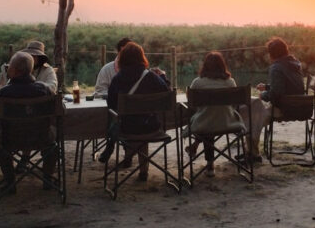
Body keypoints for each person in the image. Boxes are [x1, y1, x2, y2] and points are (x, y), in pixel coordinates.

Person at [0, 51, 57, 193]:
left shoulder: (3, 93)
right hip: (42, 139)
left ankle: (10, 183)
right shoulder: (45, 90)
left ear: (15, 71)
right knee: (52, 143)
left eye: (9, 66)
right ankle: (47, 179)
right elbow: (61, 111)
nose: (7, 68)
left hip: (10, 141)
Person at [100, 42, 170, 181]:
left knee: (133, 125)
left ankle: (128, 157)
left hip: (126, 130)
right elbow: (166, 95)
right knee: (143, 126)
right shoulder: (151, 77)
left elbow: (111, 105)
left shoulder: (117, 79)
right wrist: (162, 76)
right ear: (141, 57)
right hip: (151, 129)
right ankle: (143, 171)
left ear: (123, 58)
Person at [240, 37, 305, 162]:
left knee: (253, 117)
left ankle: (253, 155)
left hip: (285, 109)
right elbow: (288, 86)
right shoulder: (295, 63)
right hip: (301, 107)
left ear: (271, 54)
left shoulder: (276, 67)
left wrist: (263, 94)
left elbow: (276, 95)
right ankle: (249, 151)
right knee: (256, 115)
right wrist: (268, 87)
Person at [187, 52, 245, 177]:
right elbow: (234, 104)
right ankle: (206, 160)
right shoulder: (230, 82)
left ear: (205, 66)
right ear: (222, 65)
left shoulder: (197, 82)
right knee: (212, 117)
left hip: (204, 123)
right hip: (228, 122)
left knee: (207, 119)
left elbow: (191, 105)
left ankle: (209, 165)